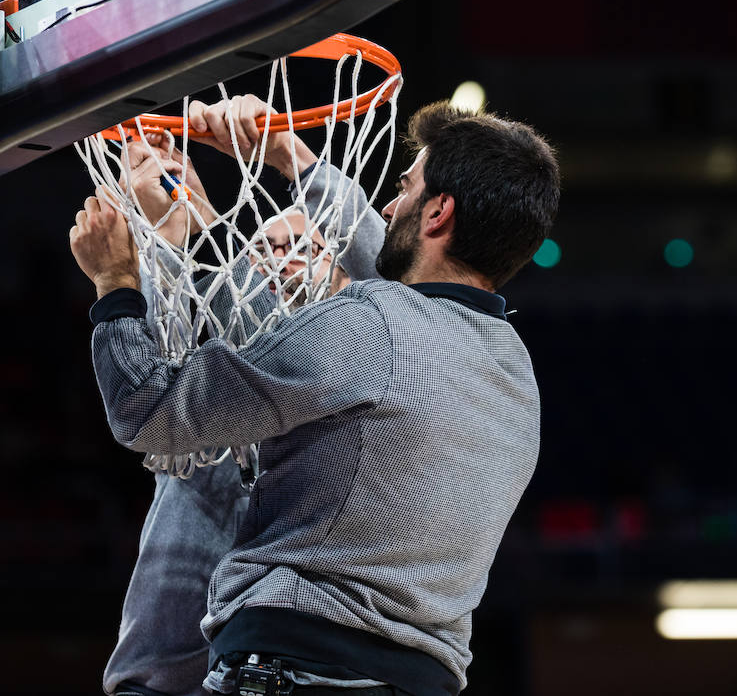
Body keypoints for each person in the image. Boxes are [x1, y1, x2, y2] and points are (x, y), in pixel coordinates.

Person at [71, 99, 559, 695]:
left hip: (297, 667)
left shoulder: (370, 326)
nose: (387, 207)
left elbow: (147, 411)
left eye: (403, 189)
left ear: (438, 213)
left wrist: (116, 282)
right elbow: (390, 305)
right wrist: (287, 159)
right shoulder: (512, 369)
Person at [103, 120, 385, 696]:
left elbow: (384, 274)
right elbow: (160, 349)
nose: (281, 259)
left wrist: (280, 159)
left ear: (344, 277)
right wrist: (169, 222)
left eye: (304, 248)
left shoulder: (369, 360)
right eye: (265, 249)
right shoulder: (211, 381)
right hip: (162, 672)